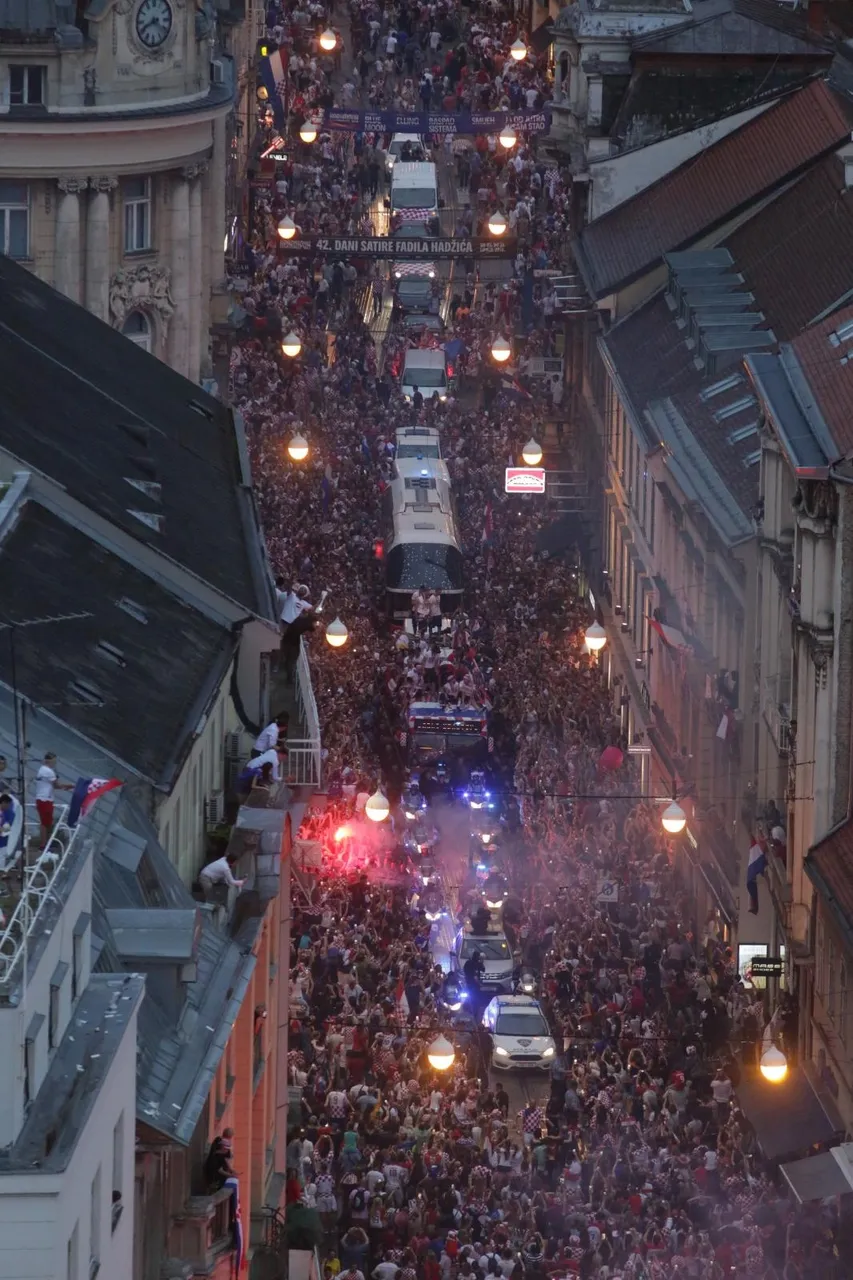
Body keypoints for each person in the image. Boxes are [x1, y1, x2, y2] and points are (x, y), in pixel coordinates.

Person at [34, 752, 72, 848]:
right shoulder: (48, 771)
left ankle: (46, 842)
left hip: (44, 798)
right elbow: (56, 785)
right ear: (50, 761)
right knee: (45, 823)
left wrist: (65, 787)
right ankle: (44, 844)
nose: (55, 763)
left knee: (47, 822)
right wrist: (70, 786)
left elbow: (54, 786)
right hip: (44, 799)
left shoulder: (42, 769)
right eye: (54, 761)